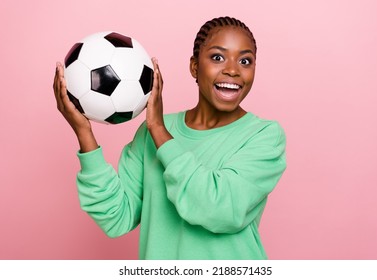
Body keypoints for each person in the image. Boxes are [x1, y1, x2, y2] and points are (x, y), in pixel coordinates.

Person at [53, 16, 286, 260]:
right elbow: (116, 217)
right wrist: (84, 134)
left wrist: (158, 130)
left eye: (245, 61)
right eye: (217, 57)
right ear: (194, 67)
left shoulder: (265, 136)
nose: (232, 70)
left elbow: (218, 208)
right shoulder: (150, 134)